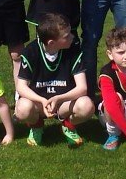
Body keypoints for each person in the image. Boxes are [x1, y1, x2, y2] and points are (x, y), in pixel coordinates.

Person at [16, 13, 95, 147]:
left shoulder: (73, 50)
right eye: (66, 36)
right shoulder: (31, 51)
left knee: (87, 106)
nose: (72, 37)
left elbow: (82, 88)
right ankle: (37, 125)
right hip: (39, 104)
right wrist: (41, 100)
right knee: (22, 109)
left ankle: (69, 125)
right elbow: (21, 87)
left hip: (63, 103)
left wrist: (59, 98)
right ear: (52, 42)